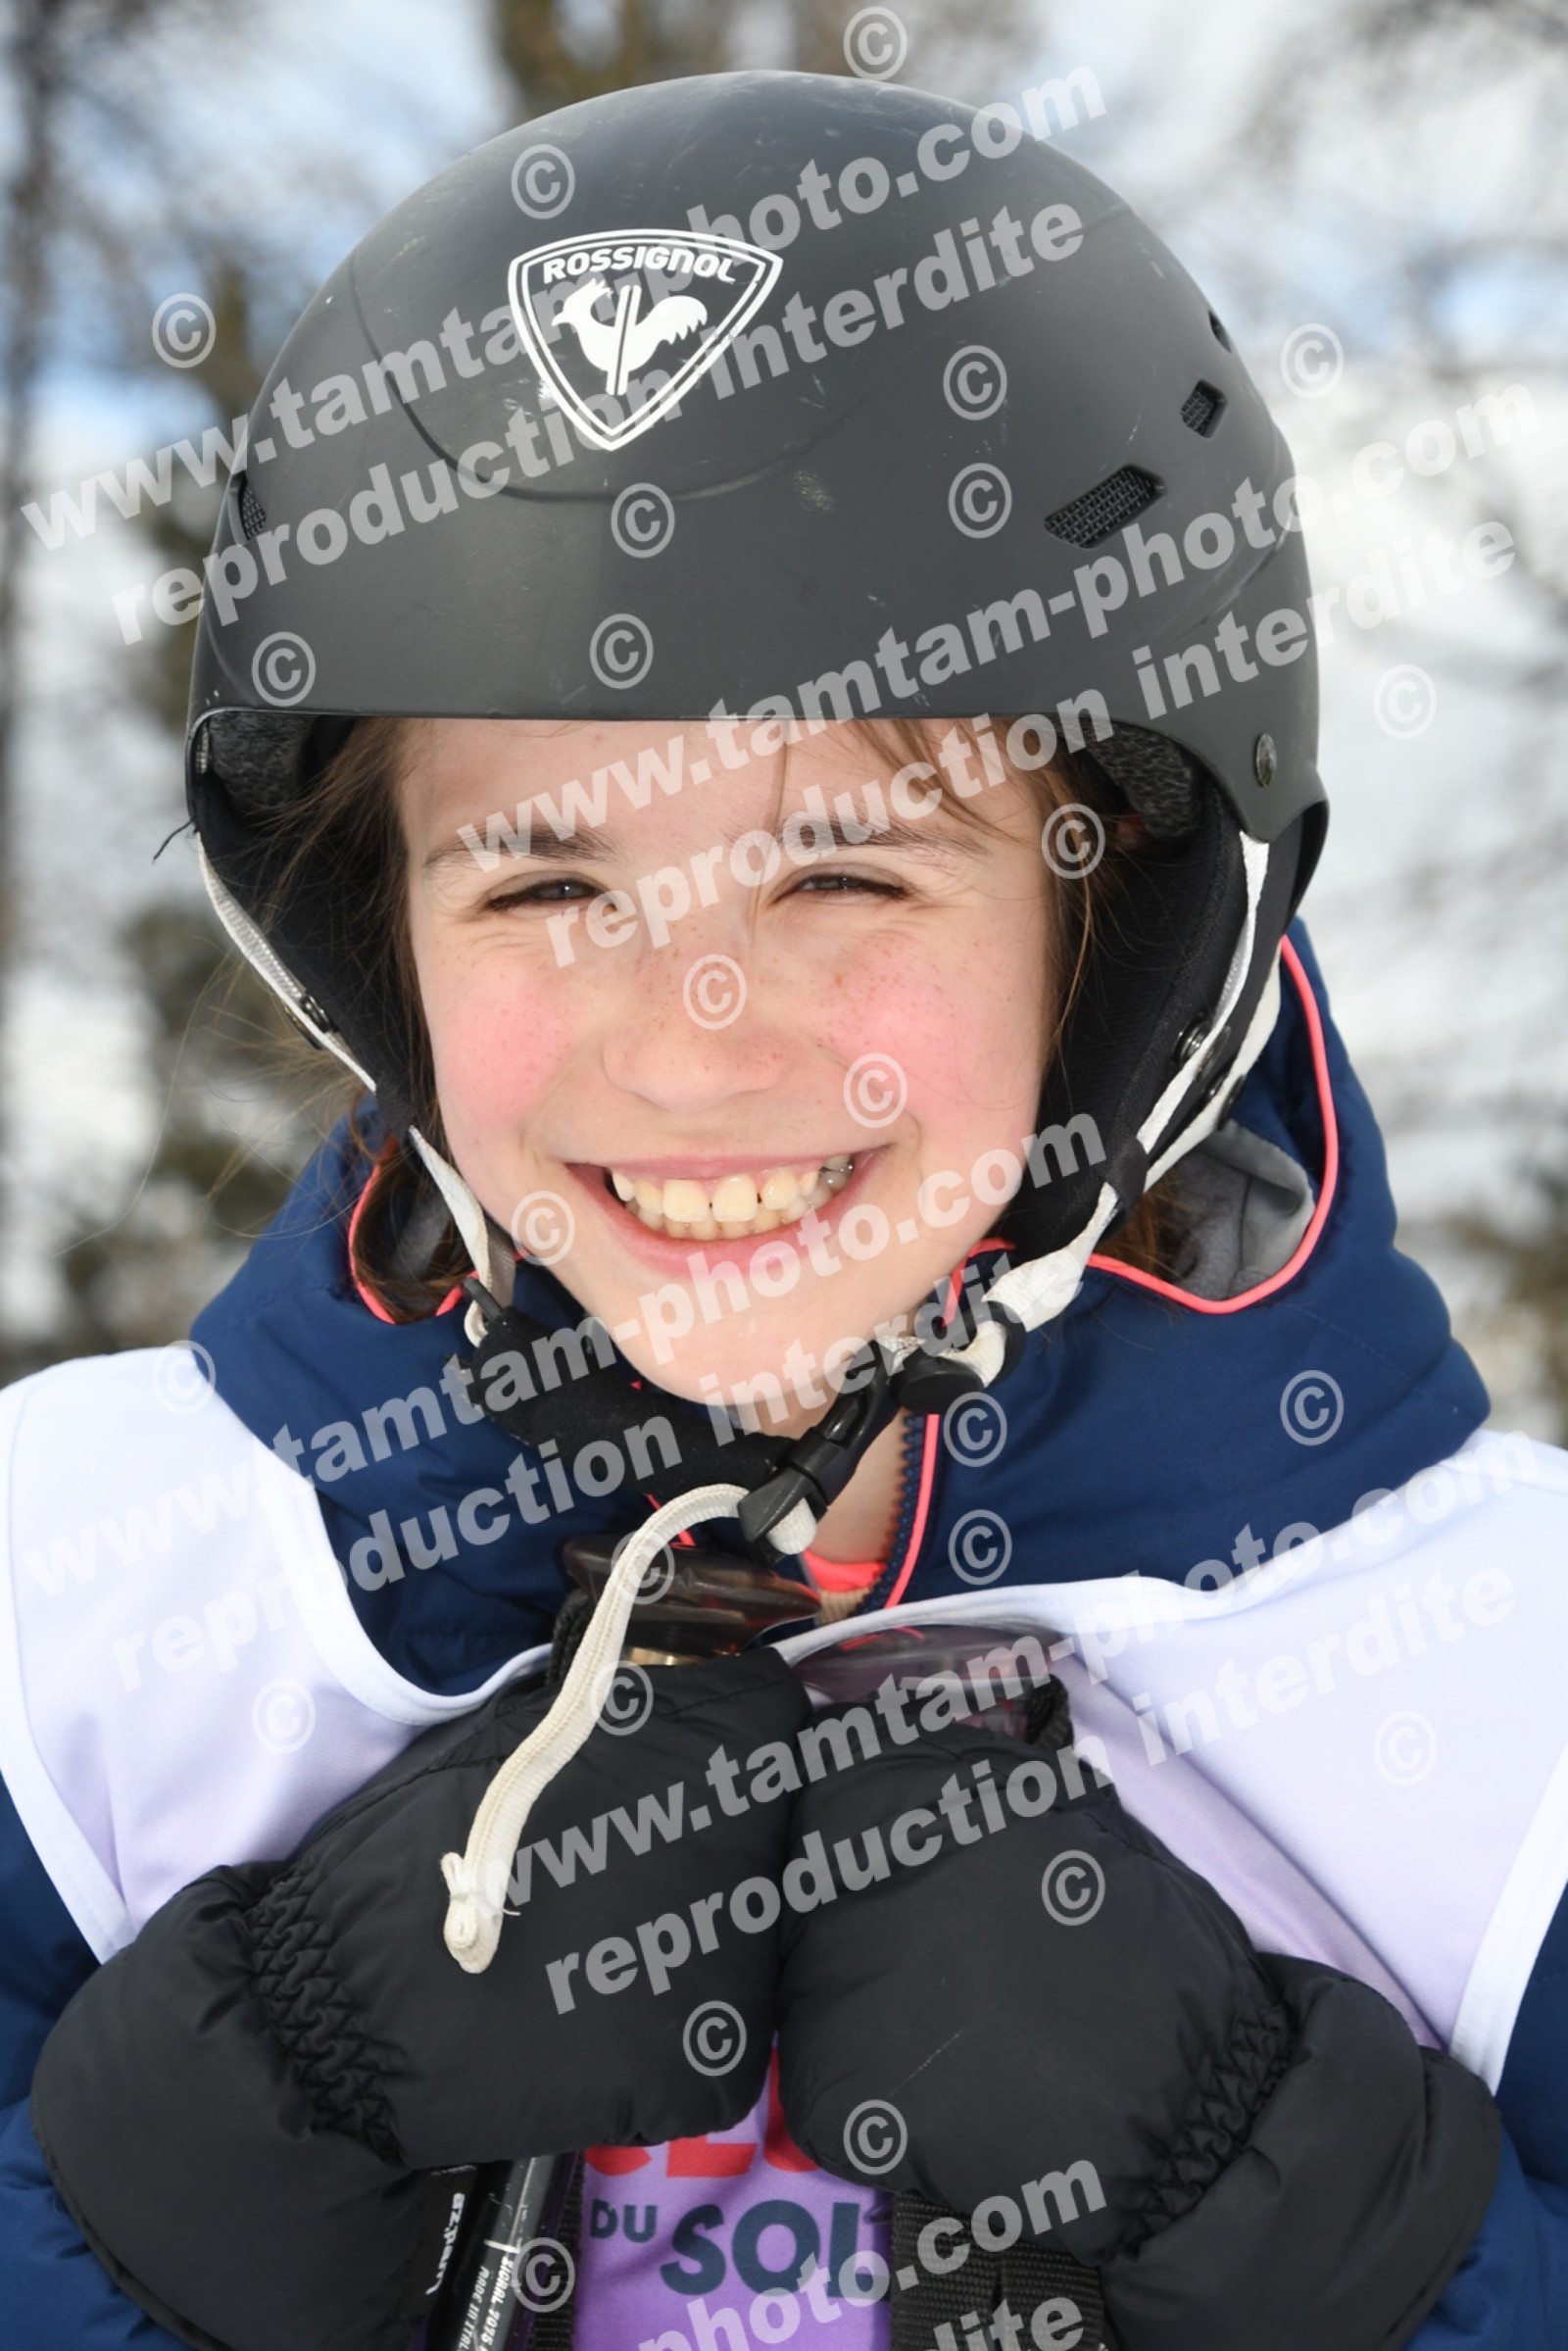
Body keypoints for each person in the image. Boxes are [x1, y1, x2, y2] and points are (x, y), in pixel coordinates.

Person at [1, 66, 1563, 2351]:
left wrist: (1307, 2221)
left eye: (842, 871)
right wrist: (218, 2156)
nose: (692, 1037)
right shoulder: (81, 1610)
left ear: (1118, 939)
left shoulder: (1503, 1703)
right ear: (375, 950)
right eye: (540, 883)